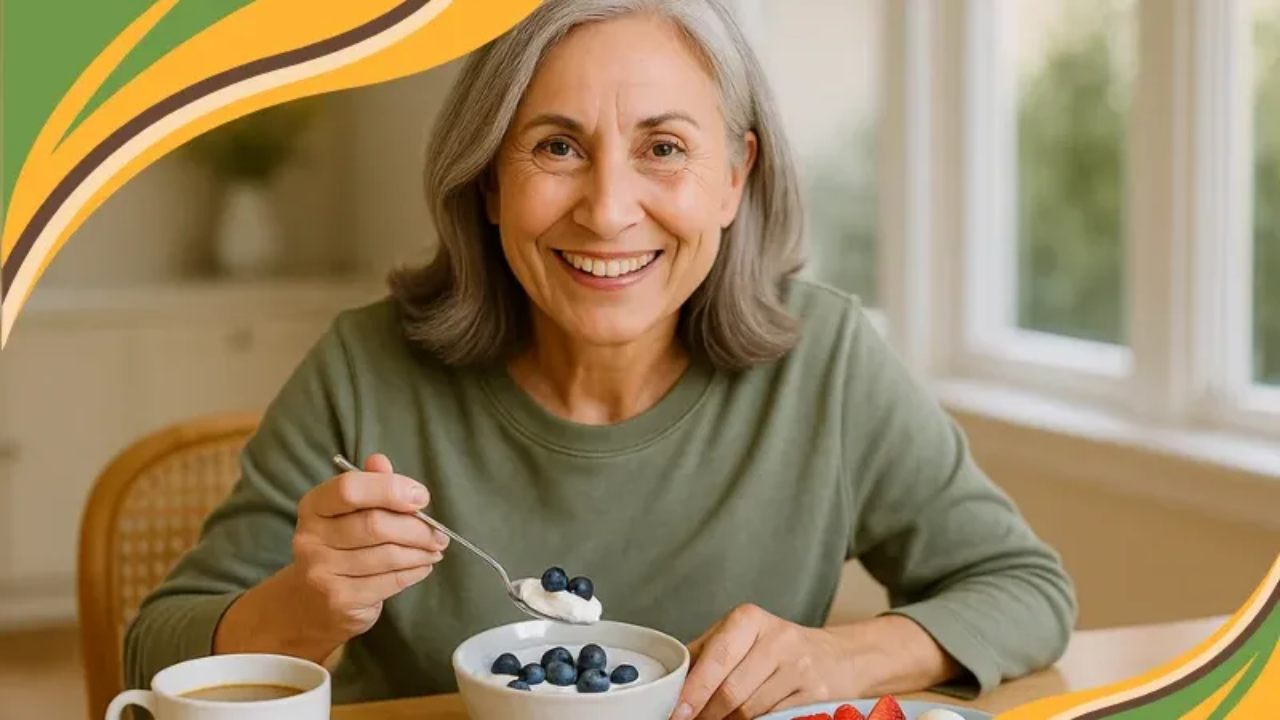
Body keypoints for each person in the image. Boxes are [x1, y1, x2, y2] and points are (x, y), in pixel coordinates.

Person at [124, 1, 1077, 718]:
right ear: (491, 181)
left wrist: (844, 657)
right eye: (556, 148)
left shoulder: (825, 361)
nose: (610, 210)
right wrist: (306, 609)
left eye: (663, 147)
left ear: (734, 179)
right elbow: (153, 652)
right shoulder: (366, 368)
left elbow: (1027, 591)